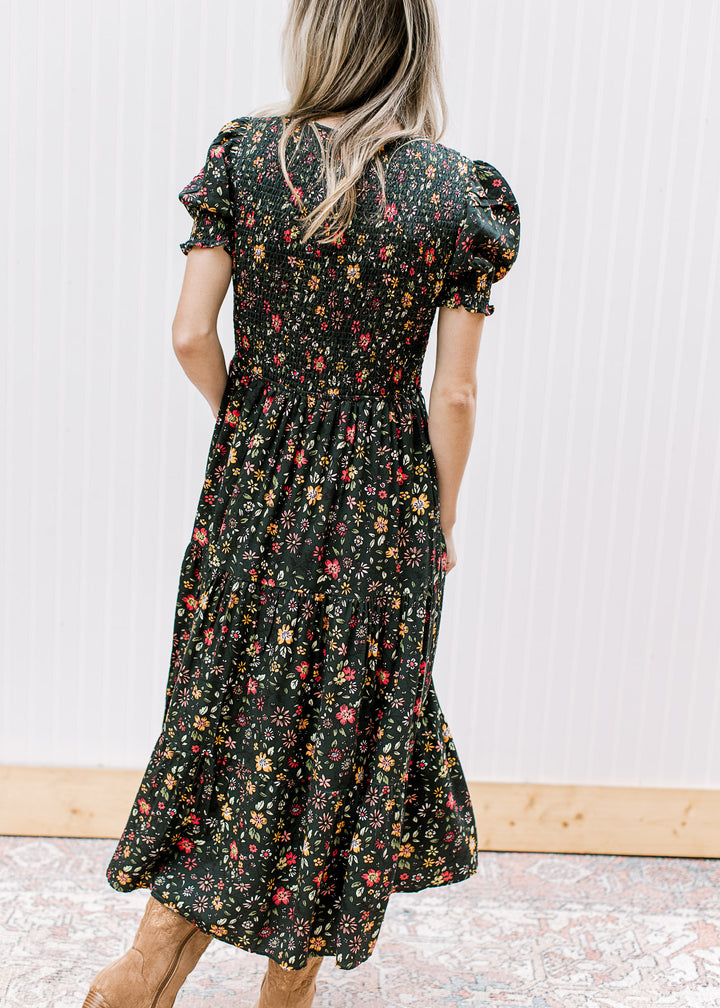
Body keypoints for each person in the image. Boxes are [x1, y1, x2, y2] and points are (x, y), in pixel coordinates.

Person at [81, 0, 520, 1005]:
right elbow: (454, 393)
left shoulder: (245, 159)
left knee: (225, 702)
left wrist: (252, 423)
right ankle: (287, 989)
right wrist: (442, 515)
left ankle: (145, 967)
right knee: (346, 725)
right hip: (385, 499)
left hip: (255, 482)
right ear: (412, 48)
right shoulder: (458, 193)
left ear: (314, 35)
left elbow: (191, 333)